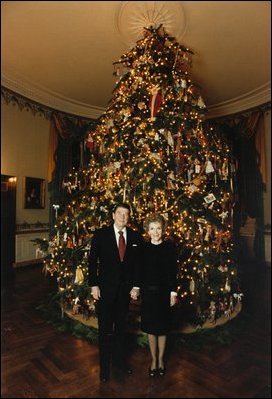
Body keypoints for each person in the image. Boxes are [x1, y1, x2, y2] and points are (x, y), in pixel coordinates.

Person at [88, 203, 142, 382]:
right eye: (119, 213)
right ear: (113, 215)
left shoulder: (135, 236)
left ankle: (119, 362)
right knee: (105, 331)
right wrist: (93, 285)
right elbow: (92, 261)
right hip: (105, 291)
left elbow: (137, 265)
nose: (123, 217)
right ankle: (104, 369)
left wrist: (136, 286)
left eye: (126, 214)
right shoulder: (101, 235)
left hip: (124, 293)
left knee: (121, 329)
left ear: (129, 217)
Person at [131, 214, 178, 377]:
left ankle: (161, 360)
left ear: (163, 229)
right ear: (147, 230)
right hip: (148, 294)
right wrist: (136, 287)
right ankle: (153, 359)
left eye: (158, 228)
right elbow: (137, 270)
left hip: (164, 294)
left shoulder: (170, 247)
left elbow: (173, 271)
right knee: (151, 328)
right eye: (152, 228)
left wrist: (173, 292)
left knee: (163, 328)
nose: (156, 232)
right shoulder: (142, 248)